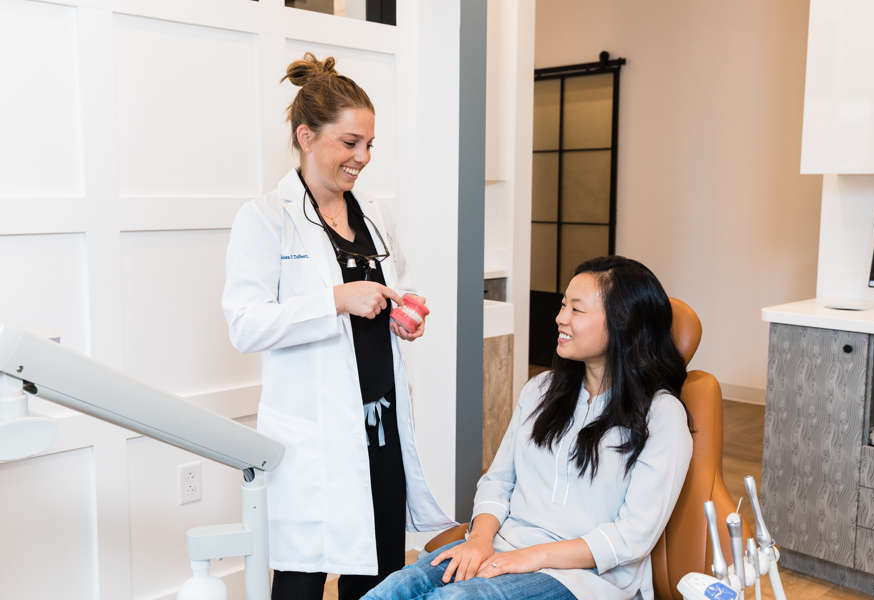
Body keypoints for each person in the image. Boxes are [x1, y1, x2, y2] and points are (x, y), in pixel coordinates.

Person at [222, 53, 454, 600]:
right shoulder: (264, 219)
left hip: (380, 427)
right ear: (306, 135)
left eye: (370, 145)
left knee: (376, 576)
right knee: (301, 580)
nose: (363, 157)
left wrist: (403, 311)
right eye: (350, 143)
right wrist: (334, 300)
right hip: (316, 435)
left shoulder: (374, 214)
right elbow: (245, 325)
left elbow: (388, 289)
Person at [363, 256, 693, 600]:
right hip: (504, 546)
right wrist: (478, 541)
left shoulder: (661, 416)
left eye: (576, 310)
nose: (559, 318)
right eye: (563, 305)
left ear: (624, 324)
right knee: (390, 591)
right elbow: (498, 481)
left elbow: (632, 537)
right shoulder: (541, 390)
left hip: (586, 578)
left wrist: (526, 558)